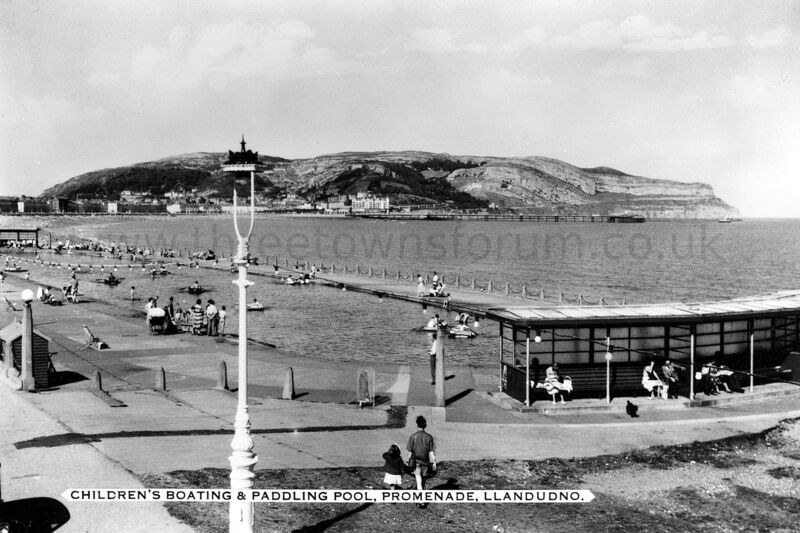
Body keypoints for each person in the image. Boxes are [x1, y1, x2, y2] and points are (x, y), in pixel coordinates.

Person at [407, 415, 436, 506]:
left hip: (416, 462)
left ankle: (421, 500)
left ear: (417, 425)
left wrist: (408, 462)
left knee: (418, 481)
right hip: (426, 462)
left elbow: (410, 452)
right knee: (423, 481)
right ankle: (421, 497)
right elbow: (431, 452)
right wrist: (434, 462)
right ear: (425, 425)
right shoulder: (429, 437)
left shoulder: (413, 436)